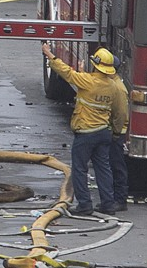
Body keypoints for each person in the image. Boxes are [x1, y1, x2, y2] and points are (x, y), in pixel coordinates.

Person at [41, 44, 122, 214]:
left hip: (85, 134)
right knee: (103, 169)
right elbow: (118, 112)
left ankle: (85, 205)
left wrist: (49, 55)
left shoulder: (88, 81)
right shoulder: (113, 86)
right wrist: (116, 132)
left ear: (96, 65)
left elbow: (67, 73)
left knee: (79, 169)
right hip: (104, 133)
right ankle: (108, 204)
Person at [106, 69, 130, 213]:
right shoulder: (113, 84)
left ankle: (120, 200)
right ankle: (114, 198)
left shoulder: (118, 89)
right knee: (111, 165)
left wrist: (115, 133)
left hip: (117, 134)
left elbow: (120, 114)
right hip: (115, 132)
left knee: (117, 166)